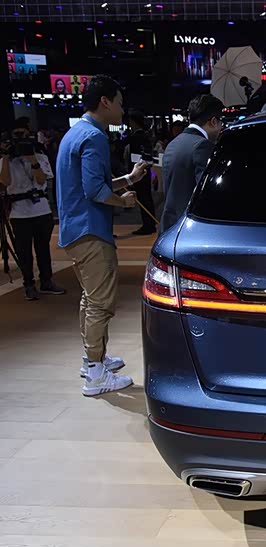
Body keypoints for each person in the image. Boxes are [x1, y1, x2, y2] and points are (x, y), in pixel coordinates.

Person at [56, 74, 149, 396]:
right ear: (105, 102)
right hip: (91, 231)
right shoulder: (94, 136)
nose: (123, 110)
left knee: (90, 300)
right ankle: (95, 374)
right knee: (100, 304)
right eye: (120, 103)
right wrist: (123, 201)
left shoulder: (75, 133)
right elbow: (95, 190)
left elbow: (91, 184)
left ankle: (93, 360)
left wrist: (128, 179)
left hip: (75, 230)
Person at [0, 120, 65, 300]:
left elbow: (42, 180)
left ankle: (46, 281)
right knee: (24, 252)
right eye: (16, 135)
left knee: (43, 249)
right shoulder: (5, 161)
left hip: (41, 210)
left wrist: (33, 160)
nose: (21, 139)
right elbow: (5, 182)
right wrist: (6, 157)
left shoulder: (41, 157)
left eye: (24, 134)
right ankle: (28, 284)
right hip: (19, 213)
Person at [160, 94, 224, 232]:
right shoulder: (202, 145)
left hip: (170, 225)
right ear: (213, 121)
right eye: (221, 123)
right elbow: (206, 195)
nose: (221, 128)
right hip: (190, 228)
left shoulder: (173, 143)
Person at [124, 110, 157, 235]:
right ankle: (150, 224)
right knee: (146, 198)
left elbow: (135, 157)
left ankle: (148, 225)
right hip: (145, 170)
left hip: (138, 171)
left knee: (144, 198)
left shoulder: (136, 137)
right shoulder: (145, 136)